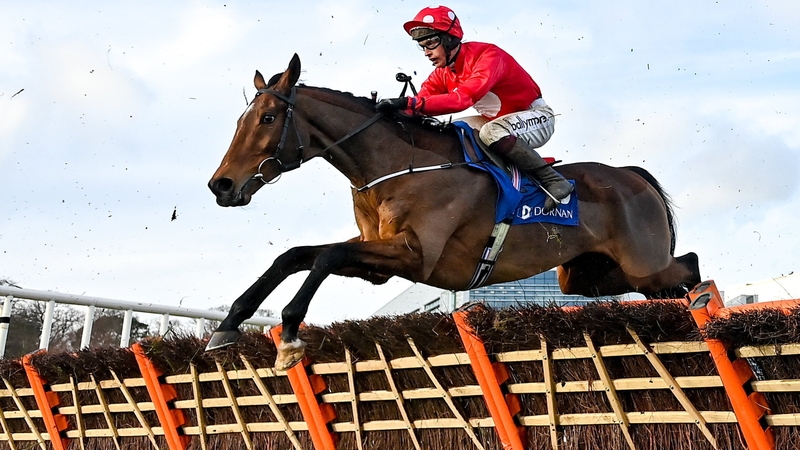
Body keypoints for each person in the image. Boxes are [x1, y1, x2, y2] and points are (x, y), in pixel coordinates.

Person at [376, 5, 572, 211]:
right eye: (422, 46)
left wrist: (410, 103)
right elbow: (420, 102)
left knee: (491, 132)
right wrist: (392, 112)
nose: (427, 52)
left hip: (537, 117)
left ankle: (554, 181)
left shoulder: (488, 55)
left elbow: (463, 99)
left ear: (450, 38)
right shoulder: (442, 73)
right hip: (499, 122)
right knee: (455, 129)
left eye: (431, 43)